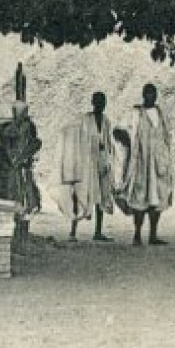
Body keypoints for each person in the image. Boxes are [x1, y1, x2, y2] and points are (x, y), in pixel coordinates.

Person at [58, 91, 116, 242]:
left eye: (103, 102)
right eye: (97, 102)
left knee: (101, 196)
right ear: (92, 102)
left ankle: (98, 231)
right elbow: (72, 135)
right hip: (85, 164)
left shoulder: (106, 121)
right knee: (81, 195)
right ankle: (72, 232)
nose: (100, 105)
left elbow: (108, 143)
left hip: (100, 162)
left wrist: (108, 160)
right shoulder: (84, 120)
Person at [126, 83, 173, 245]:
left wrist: (165, 158)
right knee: (140, 200)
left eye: (153, 93)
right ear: (143, 94)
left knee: (157, 199)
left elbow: (168, 136)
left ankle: (153, 235)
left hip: (158, 163)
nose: (151, 96)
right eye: (148, 93)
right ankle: (137, 234)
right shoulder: (136, 114)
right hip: (142, 164)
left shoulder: (161, 113)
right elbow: (125, 133)